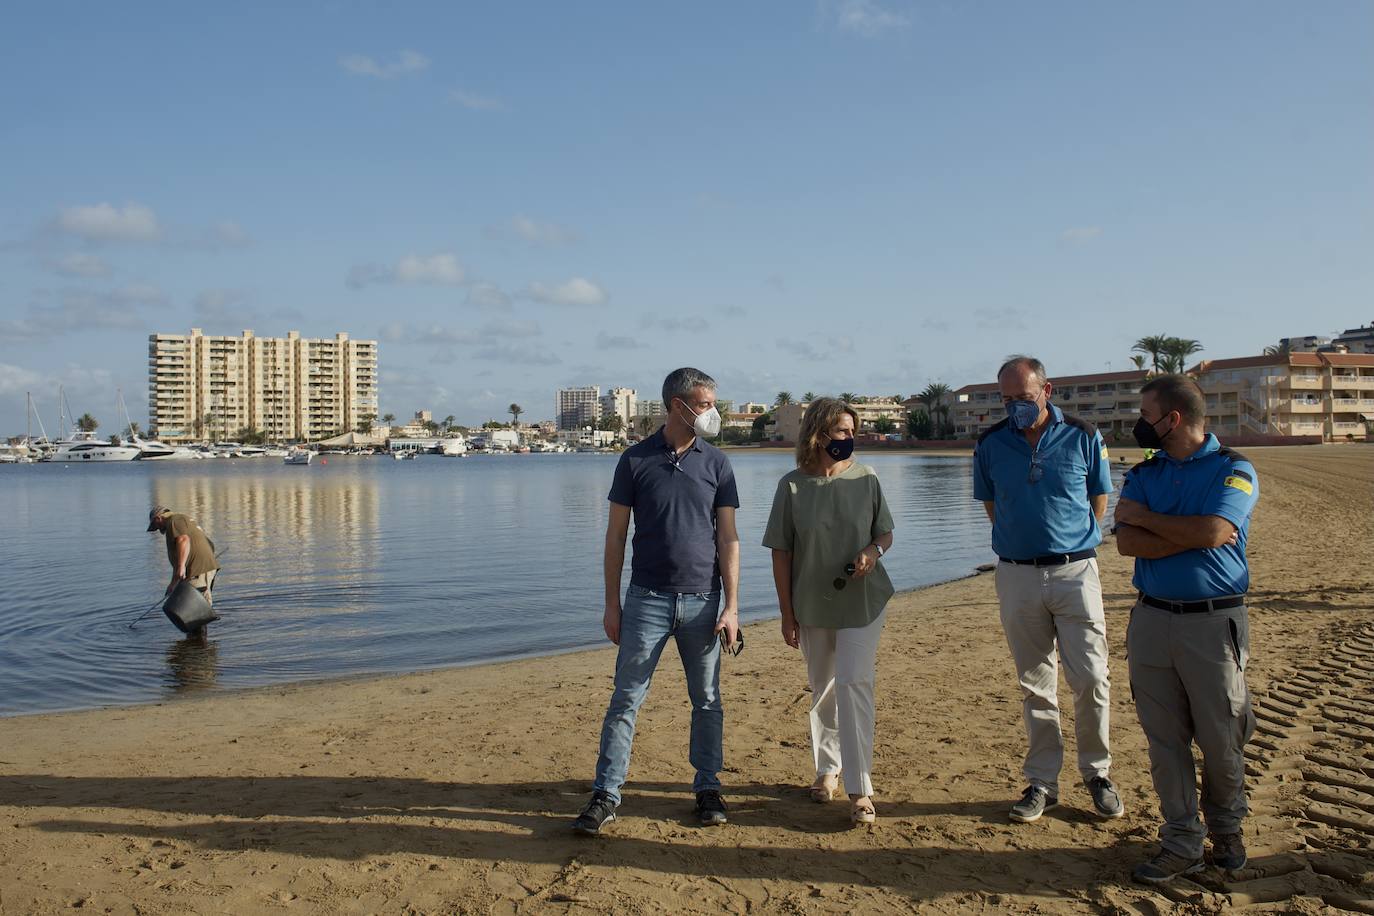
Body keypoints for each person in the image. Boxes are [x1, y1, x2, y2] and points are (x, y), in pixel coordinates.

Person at [572, 367, 741, 835]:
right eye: (704, 404)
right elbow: (615, 537)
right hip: (645, 599)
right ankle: (606, 793)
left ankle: (707, 787)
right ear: (677, 405)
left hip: (704, 601)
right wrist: (612, 605)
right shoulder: (634, 460)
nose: (712, 412)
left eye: (711, 403)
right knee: (625, 699)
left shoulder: (718, 463)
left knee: (707, 700)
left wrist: (731, 607)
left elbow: (728, 538)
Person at [1115, 374, 1259, 883]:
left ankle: (1228, 832)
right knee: (1165, 741)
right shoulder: (1143, 473)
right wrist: (1190, 534)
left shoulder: (1234, 470)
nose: (1139, 422)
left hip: (1213, 622)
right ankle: (1181, 842)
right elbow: (1127, 544)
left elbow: (1218, 531)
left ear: (1171, 419)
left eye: (1145, 412)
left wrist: (1153, 520)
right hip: (1152, 619)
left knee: (1223, 736)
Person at [972, 356, 1123, 823]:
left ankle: (1097, 774)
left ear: (1047, 390)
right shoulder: (991, 443)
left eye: (1023, 396)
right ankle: (1042, 782)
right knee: (1035, 685)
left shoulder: (1083, 435)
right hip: (1016, 575)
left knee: (1092, 678)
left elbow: (1099, 498)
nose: (1015, 406)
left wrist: (1069, 542)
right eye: (1007, 399)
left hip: (1075, 573)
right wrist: (1023, 545)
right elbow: (992, 504)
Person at [763, 398, 894, 825]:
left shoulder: (867, 478)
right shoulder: (792, 486)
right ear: (819, 434)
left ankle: (860, 788)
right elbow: (781, 553)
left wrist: (872, 553)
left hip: (863, 600)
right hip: (812, 603)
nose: (849, 439)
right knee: (823, 689)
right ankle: (827, 769)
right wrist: (786, 613)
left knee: (855, 684)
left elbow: (885, 533)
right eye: (841, 431)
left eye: (852, 431)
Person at [147, 506, 221, 633]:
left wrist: (182, 568)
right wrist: (173, 584)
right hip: (202, 569)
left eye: (156, 526)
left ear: (158, 518)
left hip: (197, 571)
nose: (158, 530)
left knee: (196, 612)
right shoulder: (184, 520)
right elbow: (209, 544)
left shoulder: (174, 521)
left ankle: (200, 647)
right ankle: (199, 645)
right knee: (196, 609)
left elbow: (183, 540)